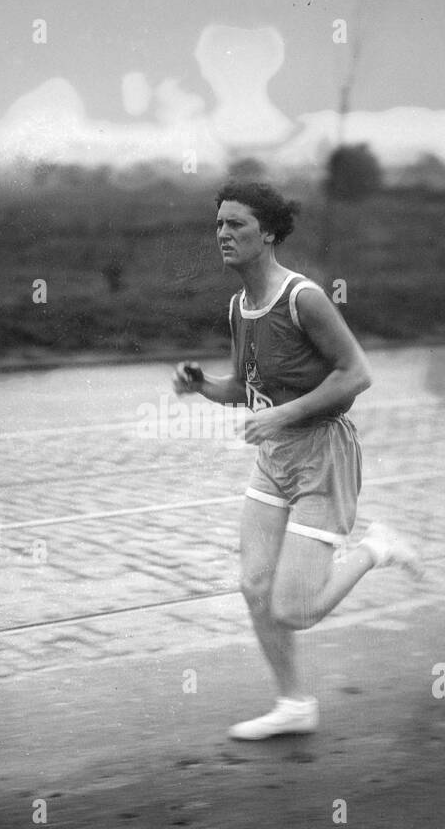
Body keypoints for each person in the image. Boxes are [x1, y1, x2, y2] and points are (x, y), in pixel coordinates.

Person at [174, 181, 424, 740]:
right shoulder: (240, 306)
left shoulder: (302, 298)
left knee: (293, 609)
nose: (222, 234)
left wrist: (284, 417)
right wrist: (202, 387)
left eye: (236, 224)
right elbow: (247, 388)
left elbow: (357, 373)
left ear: (267, 233)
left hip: (323, 459)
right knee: (254, 587)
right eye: (218, 224)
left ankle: (375, 549)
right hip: (275, 460)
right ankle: (293, 703)